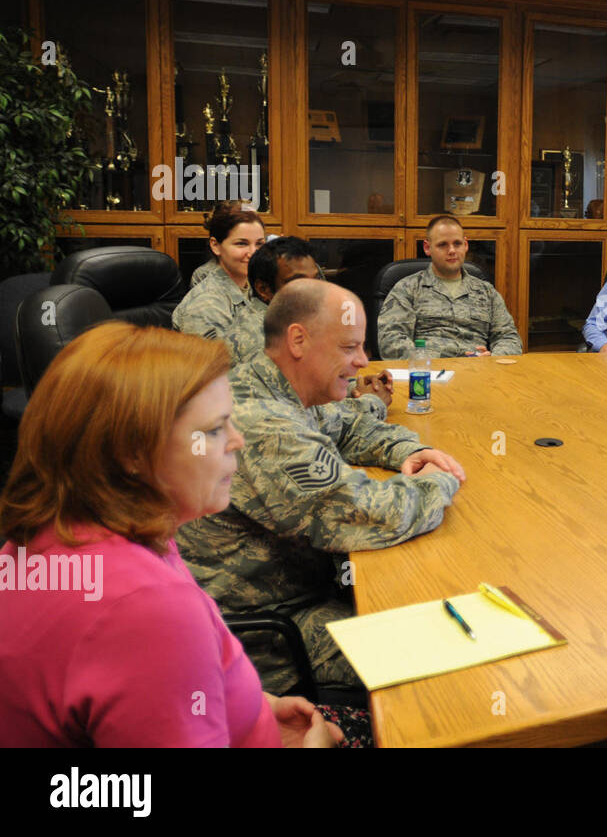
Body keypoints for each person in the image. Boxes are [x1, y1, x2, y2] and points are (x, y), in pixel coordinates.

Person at [0, 323, 342, 747]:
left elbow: (139, 693)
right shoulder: (143, 606)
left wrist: (248, 706)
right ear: (133, 453)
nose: (237, 440)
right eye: (214, 430)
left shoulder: (58, 535)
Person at [176, 280, 467, 693]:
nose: (362, 361)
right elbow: (374, 513)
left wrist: (409, 451)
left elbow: (347, 424)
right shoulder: (264, 423)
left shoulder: (274, 388)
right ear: (298, 340)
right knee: (445, 664)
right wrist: (441, 478)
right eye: (349, 348)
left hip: (300, 593)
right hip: (267, 639)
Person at [232, 236, 393, 410]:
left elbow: (316, 379)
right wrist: (371, 403)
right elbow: (307, 414)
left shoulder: (293, 319)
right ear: (263, 290)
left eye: (316, 279)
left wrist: (356, 387)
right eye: (300, 282)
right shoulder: (257, 338)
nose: (315, 290)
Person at [377, 215, 521, 359]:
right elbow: (391, 341)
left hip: (478, 372)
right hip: (428, 374)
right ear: (427, 248)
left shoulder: (486, 292)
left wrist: (493, 359)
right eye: (443, 245)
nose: (451, 250)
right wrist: (436, 360)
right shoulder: (407, 288)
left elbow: (509, 338)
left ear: (466, 245)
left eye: (457, 244)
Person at [173, 205, 266, 341]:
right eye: (241, 244)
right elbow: (218, 361)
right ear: (215, 246)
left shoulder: (254, 287)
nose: (253, 253)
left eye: (259, 244)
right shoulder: (205, 306)